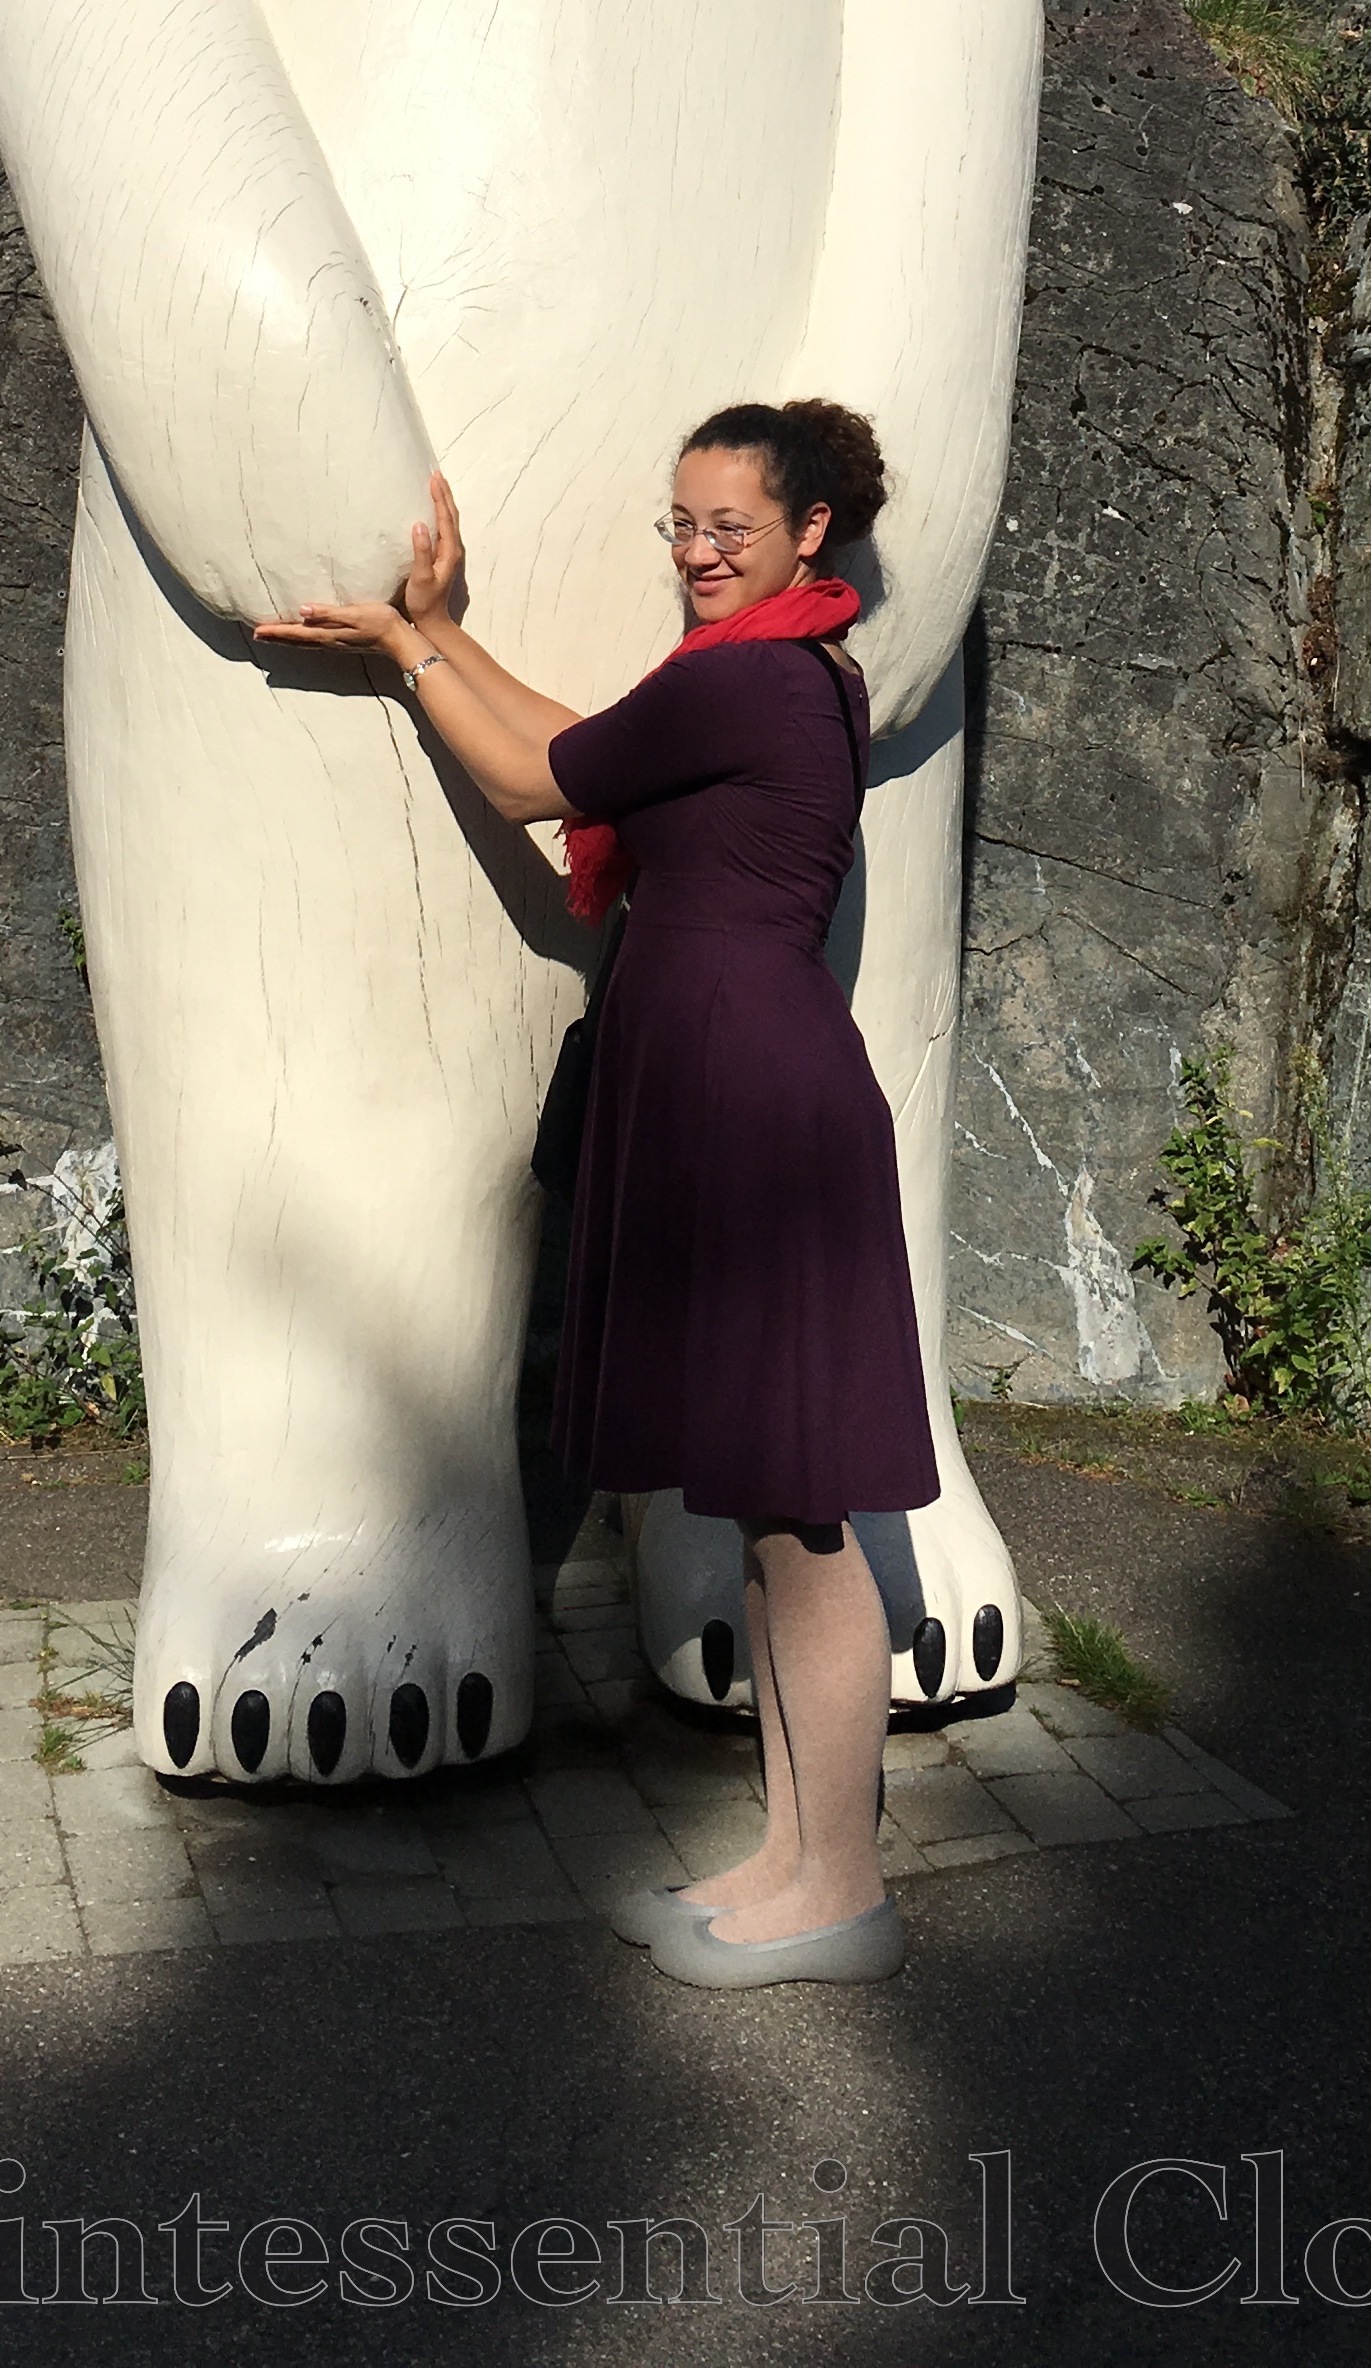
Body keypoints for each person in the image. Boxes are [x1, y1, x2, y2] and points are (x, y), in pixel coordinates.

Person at [259, 396, 929, 1989]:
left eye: (730, 527)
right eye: (681, 525)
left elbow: (530, 781)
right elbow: (587, 743)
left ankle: (841, 1892)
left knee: (801, 1513)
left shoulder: (755, 677)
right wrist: (441, 632)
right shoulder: (762, 672)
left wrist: (407, 652)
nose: (698, 551)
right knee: (768, 1505)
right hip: (735, 1087)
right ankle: (790, 1859)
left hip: (755, 1110)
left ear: (809, 532)